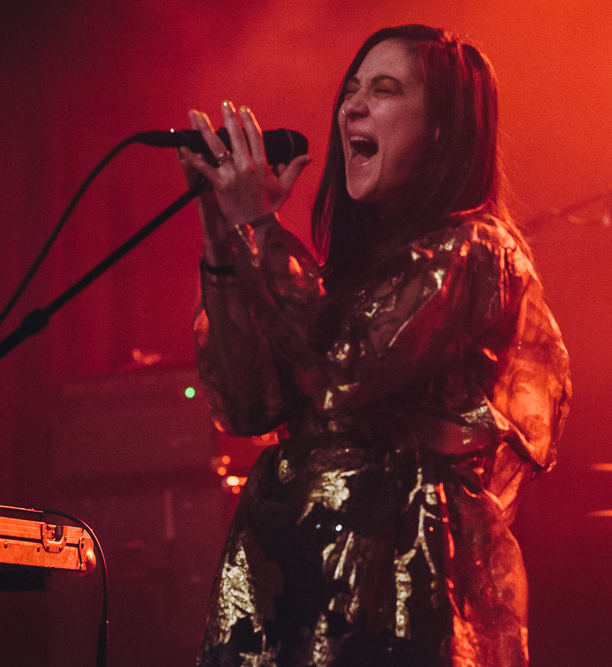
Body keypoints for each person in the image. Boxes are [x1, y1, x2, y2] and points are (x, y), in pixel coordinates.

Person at [177, 24, 570, 667]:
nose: (352, 106)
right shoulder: (335, 284)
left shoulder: (477, 252)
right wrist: (222, 236)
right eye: (351, 89)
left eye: (384, 90)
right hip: (291, 584)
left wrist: (260, 226)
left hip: (400, 592)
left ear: (442, 129)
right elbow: (244, 406)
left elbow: (344, 369)